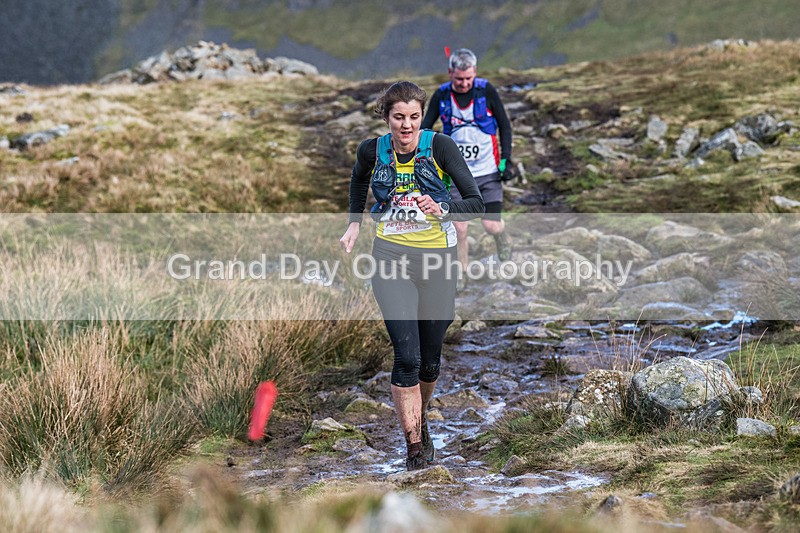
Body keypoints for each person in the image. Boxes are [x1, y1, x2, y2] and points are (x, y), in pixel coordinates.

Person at [340, 81, 484, 471]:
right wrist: (354, 224)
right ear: (386, 117)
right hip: (390, 258)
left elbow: (475, 202)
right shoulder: (372, 150)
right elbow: (357, 180)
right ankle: (415, 447)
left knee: (429, 362)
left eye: (414, 117)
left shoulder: (440, 147)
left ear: (422, 116)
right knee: (406, 356)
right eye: (398, 117)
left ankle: (422, 411)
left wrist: (442, 206)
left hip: (437, 258)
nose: (406, 125)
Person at [421, 48, 513, 288]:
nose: (463, 84)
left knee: (491, 224)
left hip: (488, 172)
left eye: (468, 79)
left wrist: (507, 160)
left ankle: (501, 236)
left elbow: (504, 125)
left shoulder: (486, 91)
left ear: (475, 73)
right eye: (459, 78)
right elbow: (425, 128)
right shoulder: (441, 96)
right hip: (456, 176)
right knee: (459, 228)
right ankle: (460, 274)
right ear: (450, 72)